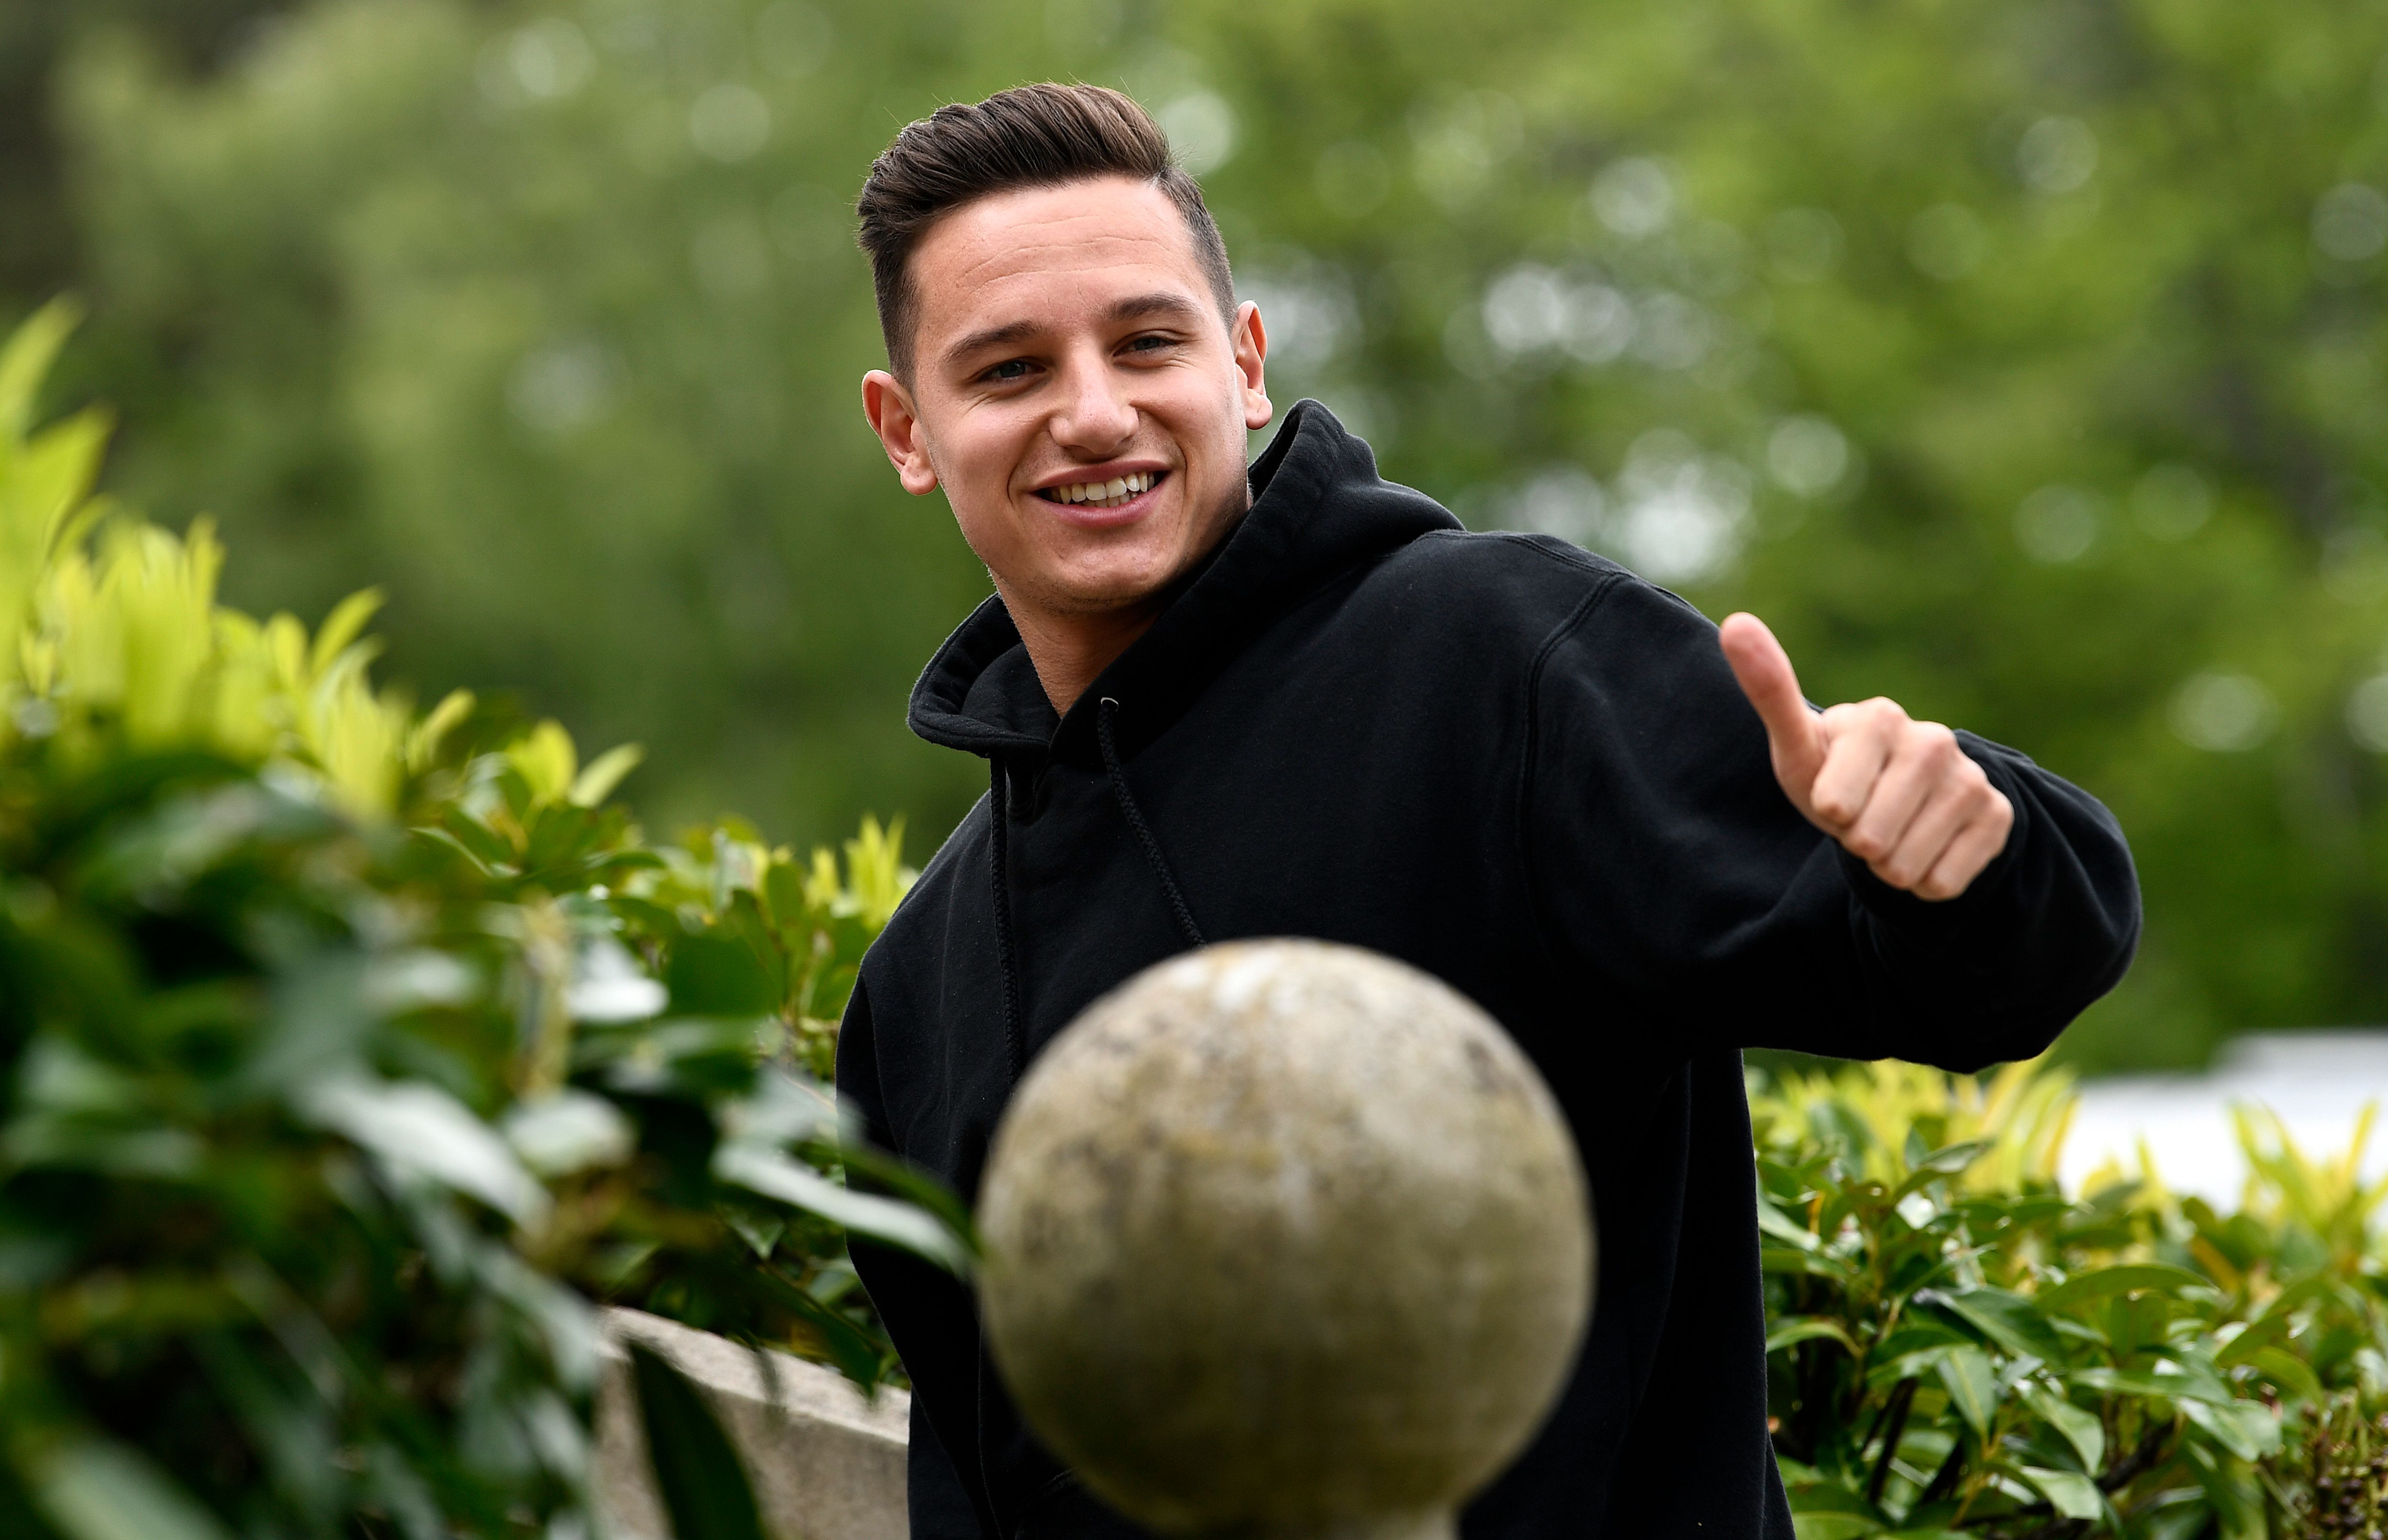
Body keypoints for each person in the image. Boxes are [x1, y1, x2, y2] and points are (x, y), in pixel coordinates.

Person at [837, 82, 2138, 1540]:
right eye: (1010, 369)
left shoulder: (1495, 661)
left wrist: (1969, 853)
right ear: (907, 429)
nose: (1094, 412)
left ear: (1245, 363)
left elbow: (1987, 964)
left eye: (1148, 341)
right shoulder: (919, 991)